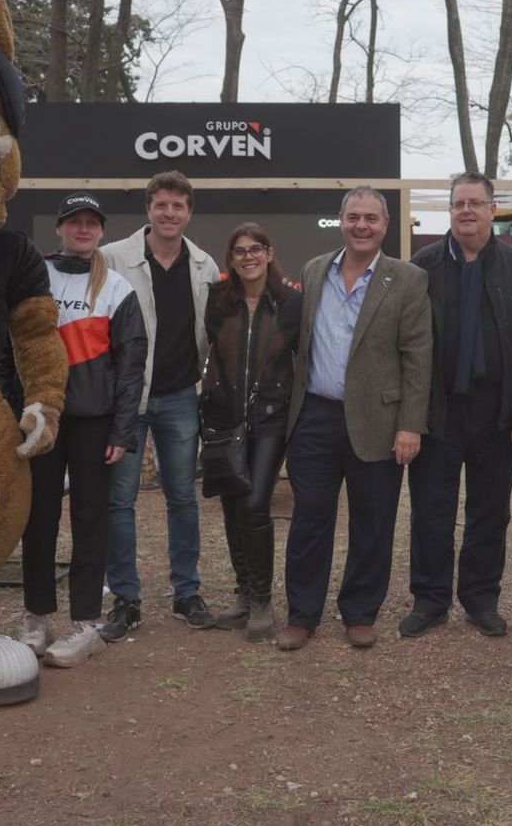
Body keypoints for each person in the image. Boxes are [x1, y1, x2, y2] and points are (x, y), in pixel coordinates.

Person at [276, 187, 432, 651]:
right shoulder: (314, 269)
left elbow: (418, 358)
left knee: (373, 522)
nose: (361, 225)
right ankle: (302, 615)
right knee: (309, 521)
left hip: (379, 423)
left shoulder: (407, 279)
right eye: (353, 217)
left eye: (371, 218)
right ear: (340, 220)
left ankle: (360, 613)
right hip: (315, 419)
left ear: (385, 225)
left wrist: (410, 425)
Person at [403, 172, 512, 638]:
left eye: (476, 203)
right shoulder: (423, 266)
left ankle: (481, 598)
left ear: (493, 210)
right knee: (431, 508)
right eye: (459, 203)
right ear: (450, 210)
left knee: (490, 510)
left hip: (497, 411)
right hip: (440, 409)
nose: (467, 211)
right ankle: (430, 599)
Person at [18, 193, 146, 667]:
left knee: (91, 521)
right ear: (60, 229)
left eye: (92, 223)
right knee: (38, 519)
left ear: (102, 231)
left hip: (95, 422)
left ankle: (86, 621)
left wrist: (122, 432)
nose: (84, 230)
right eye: (75, 223)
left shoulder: (116, 288)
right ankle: (36, 614)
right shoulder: (35, 277)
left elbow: (132, 367)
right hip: (43, 418)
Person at [100, 171, 223, 639]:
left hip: (181, 398)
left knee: (183, 498)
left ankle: (187, 593)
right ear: (148, 209)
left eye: (178, 206)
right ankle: (126, 600)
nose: (169, 213)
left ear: (189, 212)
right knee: (120, 502)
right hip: (127, 401)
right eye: (161, 205)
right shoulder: (112, 258)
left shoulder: (204, 266)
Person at [201, 223, 301, 642]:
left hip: (270, 417)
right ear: (231, 259)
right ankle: (243, 592)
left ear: (269, 252)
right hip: (225, 418)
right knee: (231, 502)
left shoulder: (290, 302)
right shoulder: (218, 301)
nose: (248, 256)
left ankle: (262, 599)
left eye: (255, 248)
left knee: (256, 503)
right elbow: (214, 354)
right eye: (239, 251)